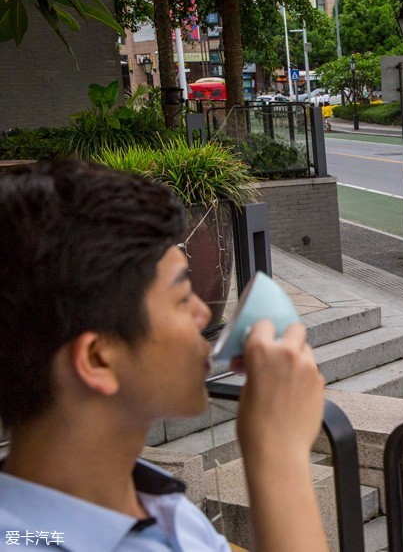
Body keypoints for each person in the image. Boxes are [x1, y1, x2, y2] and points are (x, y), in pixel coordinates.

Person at [0, 160, 329, 552]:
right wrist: (279, 455)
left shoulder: (166, 509)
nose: (203, 314)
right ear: (98, 359)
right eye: (180, 297)